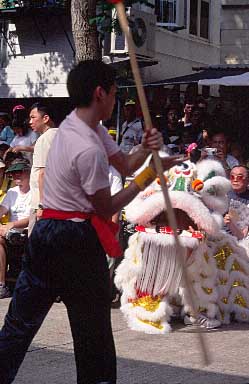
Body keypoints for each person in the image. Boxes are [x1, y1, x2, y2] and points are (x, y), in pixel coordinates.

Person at [0, 60, 183, 384]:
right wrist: (151, 175)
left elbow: (124, 165)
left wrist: (143, 148)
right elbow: (107, 206)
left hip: (45, 233)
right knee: (93, 335)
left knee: (18, 325)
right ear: (100, 93)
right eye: (113, 93)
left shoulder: (83, 126)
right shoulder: (86, 147)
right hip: (73, 239)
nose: (115, 100)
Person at [0, 159, 31, 299]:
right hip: (10, 233)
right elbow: (2, 210)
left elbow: (35, 217)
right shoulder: (12, 192)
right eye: (13, 173)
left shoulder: (36, 192)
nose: (15, 176)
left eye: (19, 172)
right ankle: (1, 285)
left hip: (27, 232)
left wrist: (13, 224)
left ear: (28, 172)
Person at [28, 103, 57, 234]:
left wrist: (41, 205)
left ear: (45, 118)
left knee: (36, 248)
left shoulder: (44, 139)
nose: (30, 122)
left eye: (33, 117)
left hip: (43, 205)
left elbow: (43, 174)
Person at [224, 165, 249, 240]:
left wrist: (230, 224)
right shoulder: (222, 194)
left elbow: (243, 235)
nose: (235, 180)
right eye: (232, 176)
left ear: (248, 180)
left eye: (239, 177)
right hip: (217, 236)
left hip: (237, 241)